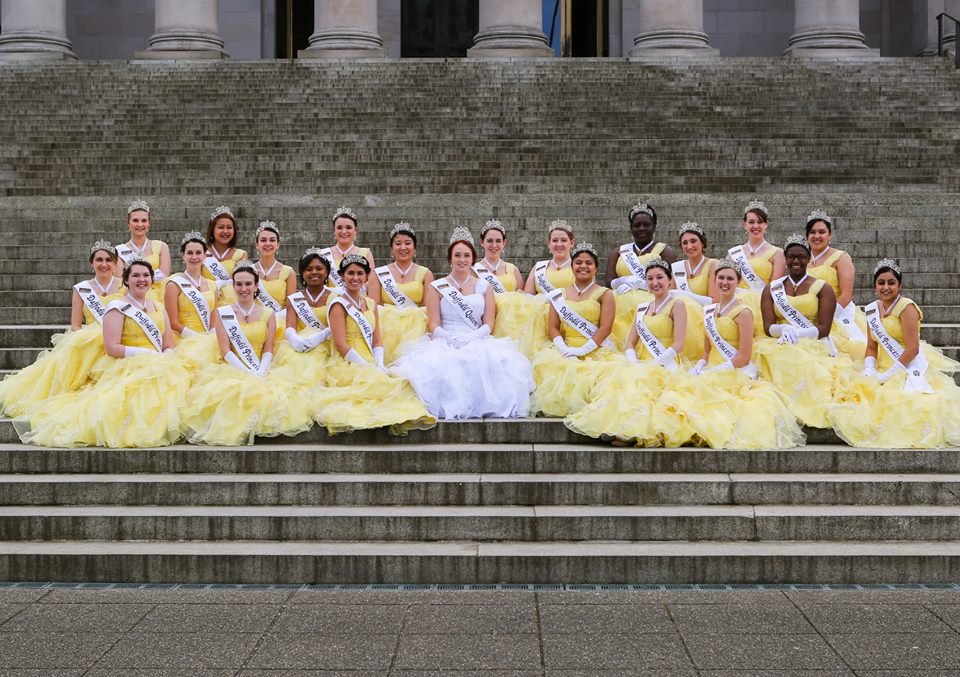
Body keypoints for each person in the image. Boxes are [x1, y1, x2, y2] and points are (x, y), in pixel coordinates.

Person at [15, 259, 189, 448]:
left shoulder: (158, 307)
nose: (142, 279)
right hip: (127, 363)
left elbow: (168, 342)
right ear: (126, 280)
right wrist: (146, 354)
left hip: (160, 362)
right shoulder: (117, 307)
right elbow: (111, 347)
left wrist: (167, 356)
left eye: (146, 275)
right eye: (136, 275)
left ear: (151, 279)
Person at [392, 227, 533, 419]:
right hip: (446, 339)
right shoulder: (437, 287)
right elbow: (433, 323)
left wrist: (472, 337)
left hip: (476, 337)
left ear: (472, 258)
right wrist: (449, 337)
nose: (462, 259)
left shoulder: (484, 286)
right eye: (457, 255)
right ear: (450, 258)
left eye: (466, 255)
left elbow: (489, 323)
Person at [829, 259, 960, 447]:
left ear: (899, 285)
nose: (886, 287)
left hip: (905, 367)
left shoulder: (907, 308)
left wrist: (891, 374)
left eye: (891, 282)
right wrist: (869, 367)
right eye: (881, 282)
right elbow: (872, 346)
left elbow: (913, 348)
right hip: (881, 366)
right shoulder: (873, 309)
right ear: (875, 286)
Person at [566, 257, 695, 446]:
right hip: (640, 362)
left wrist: (654, 364)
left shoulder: (677, 305)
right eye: (650, 279)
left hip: (665, 364)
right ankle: (615, 427)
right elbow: (629, 343)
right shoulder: (643, 307)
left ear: (669, 280)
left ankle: (632, 432)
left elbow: (679, 344)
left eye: (659, 277)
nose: (655, 283)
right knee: (621, 384)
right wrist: (633, 360)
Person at [180, 261, 312, 445]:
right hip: (234, 367)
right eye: (239, 284)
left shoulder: (268, 313)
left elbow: (268, 348)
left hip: (262, 366)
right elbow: (225, 351)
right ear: (233, 286)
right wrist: (248, 372)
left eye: (248, 284)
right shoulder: (223, 313)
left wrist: (261, 371)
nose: (244, 288)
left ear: (256, 286)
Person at [680, 260, 805, 448]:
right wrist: (700, 366)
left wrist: (715, 371)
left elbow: (744, 356)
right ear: (715, 280)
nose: (725, 282)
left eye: (730, 278)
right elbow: (706, 350)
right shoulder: (708, 311)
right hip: (711, 368)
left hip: (734, 371)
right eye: (721, 277)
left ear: (738, 282)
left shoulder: (744, 312)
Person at [308, 254, 434, 434]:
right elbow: (340, 343)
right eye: (350, 273)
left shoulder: (370, 303)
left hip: (371, 359)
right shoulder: (337, 304)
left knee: (399, 381)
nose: (355, 278)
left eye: (360, 273)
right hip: (348, 362)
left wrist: (379, 364)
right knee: (376, 387)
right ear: (342, 276)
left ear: (367, 277)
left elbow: (377, 339)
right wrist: (366, 366)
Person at [0, 241, 122, 417]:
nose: (104, 264)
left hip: (117, 338)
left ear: (115, 262)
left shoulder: (124, 286)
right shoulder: (82, 289)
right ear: (91, 263)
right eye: (99, 260)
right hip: (90, 341)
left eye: (108, 260)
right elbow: (75, 325)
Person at [755, 234, 851, 429]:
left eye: (800, 256)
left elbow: (824, 329)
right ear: (786, 259)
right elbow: (767, 327)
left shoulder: (823, 288)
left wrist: (797, 334)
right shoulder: (772, 289)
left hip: (812, 341)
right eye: (791, 257)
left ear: (808, 259)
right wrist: (783, 329)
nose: (796, 261)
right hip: (778, 341)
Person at [530, 242, 618, 417]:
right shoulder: (558, 294)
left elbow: (606, 327)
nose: (583, 266)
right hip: (566, 349)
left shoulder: (605, 294)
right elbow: (553, 327)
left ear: (595, 268)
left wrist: (584, 350)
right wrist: (564, 350)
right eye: (578, 262)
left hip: (594, 349)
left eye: (588, 263)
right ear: (572, 267)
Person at [475, 219, 543, 357]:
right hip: (487, 321)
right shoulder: (474, 270)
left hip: (513, 325)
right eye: (489, 241)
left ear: (504, 243)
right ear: (482, 242)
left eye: (498, 241)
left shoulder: (513, 270)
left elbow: (523, 300)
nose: (494, 245)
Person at [805, 209, 868, 356]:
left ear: (830, 234)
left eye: (822, 232)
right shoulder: (803, 259)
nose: (817, 236)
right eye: (812, 232)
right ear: (807, 236)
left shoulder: (840, 257)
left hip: (837, 313)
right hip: (809, 313)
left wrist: (825, 317)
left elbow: (846, 295)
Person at [365, 222, 432, 362]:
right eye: (398, 243)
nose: (403, 247)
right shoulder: (378, 274)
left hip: (416, 326)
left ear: (414, 247)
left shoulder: (425, 273)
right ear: (391, 248)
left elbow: (427, 307)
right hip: (387, 326)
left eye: (407, 243)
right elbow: (374, 306)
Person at [727, 200, 786, 334]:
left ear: (766, 224)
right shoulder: (734, 253)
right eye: (751, 222)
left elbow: (774, 287)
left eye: (760, 222)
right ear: (745, 225)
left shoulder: (777, 253)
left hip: (761, 304)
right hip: (735, 302)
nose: (756, 226)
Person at [606, 201, 677, 291]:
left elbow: (672, 283)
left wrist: (641, 285)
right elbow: (608, 282)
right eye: (637, 225)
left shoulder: (665, 251)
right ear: (631, 228)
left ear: (654, 226)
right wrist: (622, 281)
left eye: (646, 225)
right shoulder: (618, 252)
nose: (642, 228)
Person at [164, 231, 218, 342]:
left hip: (208, 340)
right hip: (183, 339)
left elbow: (214, 320)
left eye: (198, 252)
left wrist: (210, 338)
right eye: (189, 253)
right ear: (183, 255)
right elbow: (172, 322)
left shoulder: (212, 286)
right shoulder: (174, 285)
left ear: (204, 255)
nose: (194, 257)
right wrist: (195, 337)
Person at [115, 200, 170, 298]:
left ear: (149, 223)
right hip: (131, 298)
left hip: (158, 298)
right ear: (128, 223)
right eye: (135, 220)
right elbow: (121, 281)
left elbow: (164, 277)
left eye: (144, 220)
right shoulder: (119, 250)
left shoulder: (162, 247)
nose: (140, 224)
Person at [251, 220, 296, 336]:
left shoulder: (288, 273)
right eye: (263, 240)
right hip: (251, 323)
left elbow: (291, 308)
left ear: (278, 245)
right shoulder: (248, 270)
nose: (267, 243)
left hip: (278, 323)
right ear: (257, 244)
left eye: (272, 240)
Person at [320, 206, 375, 292]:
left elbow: (371, 282)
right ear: (334, 230)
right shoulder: (324, 254)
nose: (344, 231)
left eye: (348, 227)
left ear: (355, 230)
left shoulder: (365, 253)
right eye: (339, 228)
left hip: (358, 300)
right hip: (329, 300)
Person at [202, 205, 248, 306]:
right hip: (205, 299)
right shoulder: (201, 252)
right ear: (212, 230)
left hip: (231, 303)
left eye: (229, 227)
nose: (225, 231)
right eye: (220, 227)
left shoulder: (241, 255)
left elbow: (240, 282)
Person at [523, 220, 576, 294]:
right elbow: (528, 296)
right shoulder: (538, 267)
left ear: (572, 243)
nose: (559, 244)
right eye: (555, 240)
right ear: (549, 244)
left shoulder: (579, 267)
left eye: (564, 240)